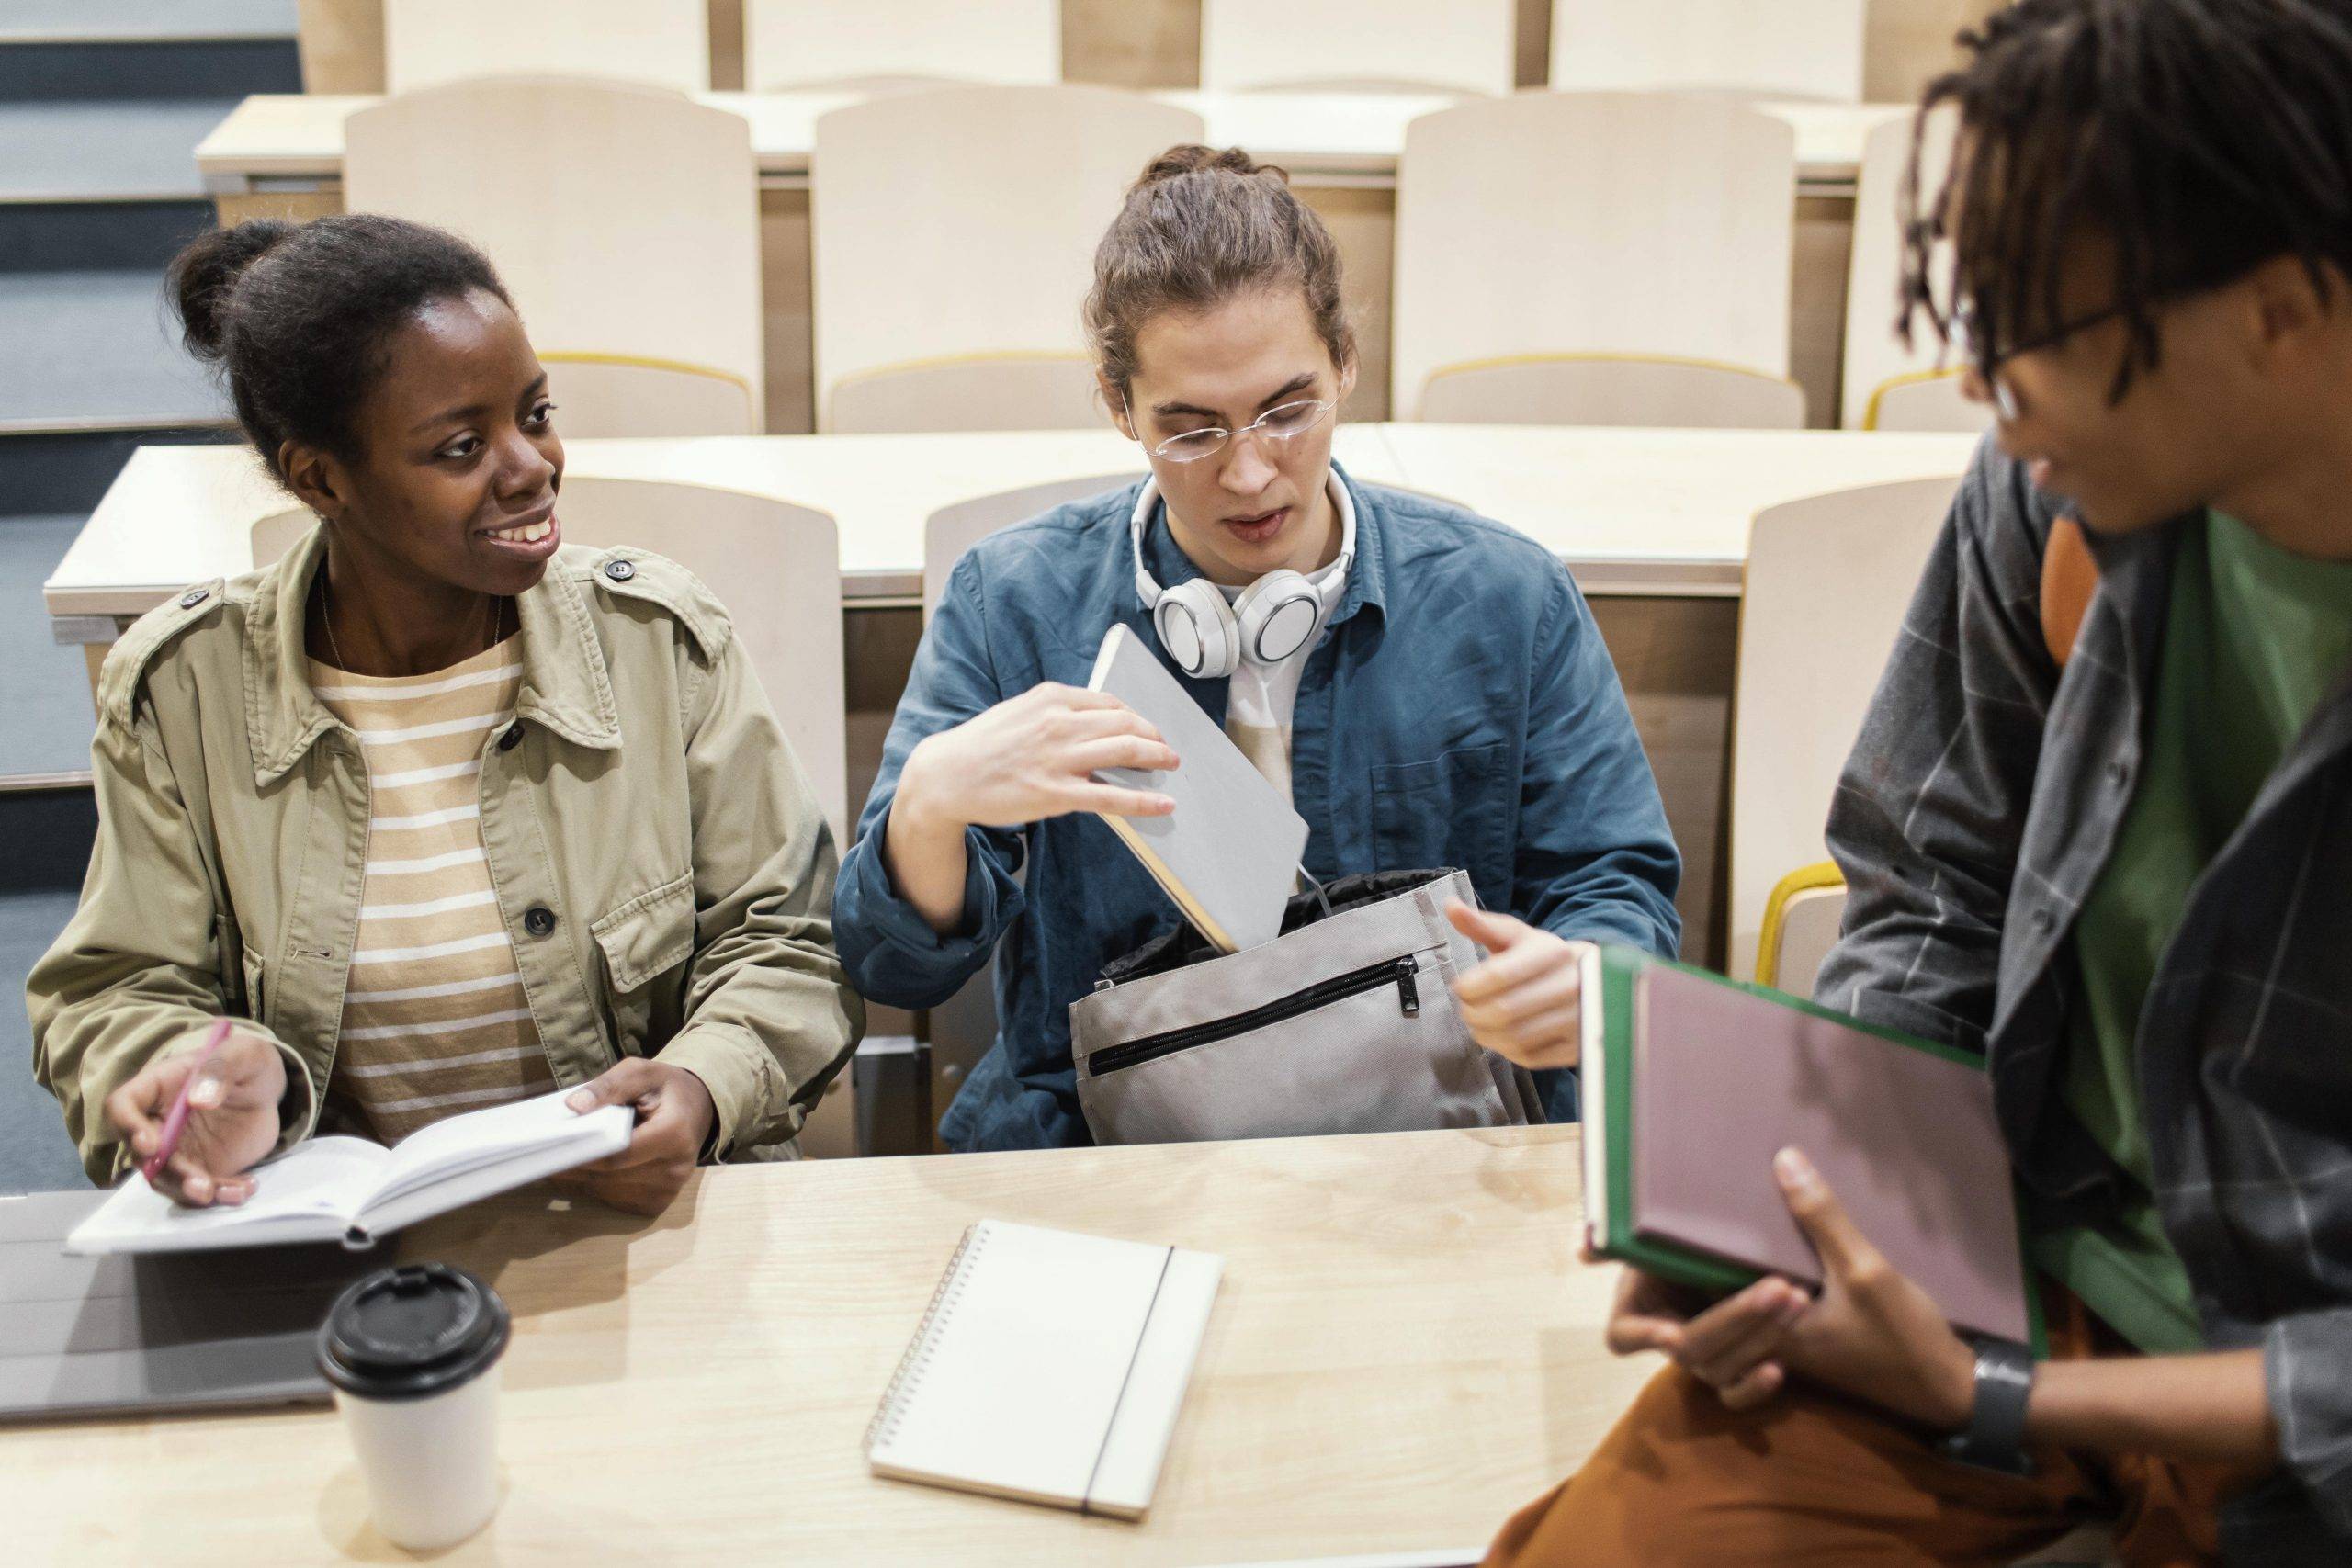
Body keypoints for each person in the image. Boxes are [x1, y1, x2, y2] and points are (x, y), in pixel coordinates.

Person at [1487, 1, 2352, 1561]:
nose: (1980, 378)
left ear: (2284, 307)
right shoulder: (2060, 489)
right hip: (1996, 1255)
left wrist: (1994, 1393)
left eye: (2041, 324)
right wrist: (1792, 1225)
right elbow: (1927, 884)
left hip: (2281, 1410)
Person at [833, 145, 1682, 1152]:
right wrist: (930, 805)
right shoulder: (1010, 604)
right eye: (1190, 431)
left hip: (1425, 1137)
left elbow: (1613, 887)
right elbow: (892, 970)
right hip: (1110, 1152)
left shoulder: (1506, 598)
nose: (1248, 474)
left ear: (1346, 364)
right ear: (1118, 408)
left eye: (1288, 410)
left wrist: (1582, 969)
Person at [27, 215, 861, 1217]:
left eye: (536, 412)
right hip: (329, 1251)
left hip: (633, 1226)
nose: (531, 466)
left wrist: (701, 1082)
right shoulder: (182, 690)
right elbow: (114, 989)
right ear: (319, 478)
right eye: (462, 446)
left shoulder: (658, 642)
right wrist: (184, 1072)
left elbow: (787, 940)